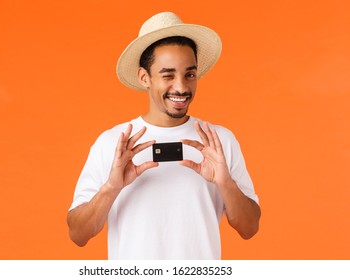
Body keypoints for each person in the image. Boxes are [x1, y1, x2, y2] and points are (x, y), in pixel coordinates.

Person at [67, 11, 261, 259]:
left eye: (190, 74)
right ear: (144, 77)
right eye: (168, 75)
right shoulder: (113, 144)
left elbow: (249, 228)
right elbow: (78, 234)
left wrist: (225, 183)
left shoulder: (219, 141)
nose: (181, 87)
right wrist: (111, 187)